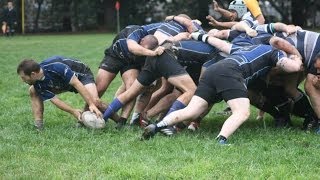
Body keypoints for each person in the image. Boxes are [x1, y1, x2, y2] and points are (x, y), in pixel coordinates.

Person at [142, 32, 303, 143]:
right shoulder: (273, 52)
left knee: (191, 110)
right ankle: (221, 140)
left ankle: (158, 126)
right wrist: (297, 59)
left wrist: (201, 36)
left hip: (213, 70)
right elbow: (292, 68)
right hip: (231, 73)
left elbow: (220, 44)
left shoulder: (243, 47)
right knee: (242, 111)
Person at [16, 56, 119, 130]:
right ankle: (38, 125)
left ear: (33, 74)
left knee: (96, 102)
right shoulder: (37, 83)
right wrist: (73, 111)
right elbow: (55, 100)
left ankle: (120, 122)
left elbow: (77, 84)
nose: (22, 80)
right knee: (33, 91)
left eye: (23, 78)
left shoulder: (56, 66)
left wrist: (91, 103)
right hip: (61, 83)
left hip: (80, 76)